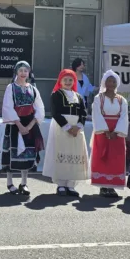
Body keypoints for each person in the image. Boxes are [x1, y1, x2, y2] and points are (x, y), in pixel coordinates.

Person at [42, 69, 89, 197]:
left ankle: (71, 184)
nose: (68, 82)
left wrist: (78, 126)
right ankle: (61, 184)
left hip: (77, 130)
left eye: (70, 80)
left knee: (75, 154)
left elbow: (83, 113)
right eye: (65, 79)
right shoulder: (56, 95)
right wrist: (68, 127)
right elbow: (55, 113)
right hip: (61, 128)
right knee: (61, 153)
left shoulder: (78, 96)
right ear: (60, 81)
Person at [0, 61, 44, 196]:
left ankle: (24, 183)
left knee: (28, 154)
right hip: (15, 124)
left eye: (26, 71)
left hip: (29, 124)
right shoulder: (10, 87)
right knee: (12, 153)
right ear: (16, 72)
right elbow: (7, 106)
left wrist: (30, 125)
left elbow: (39, 108)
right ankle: (9, 182)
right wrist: (19, 125)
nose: (23, 73)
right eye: (21, 70)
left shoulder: (33, 88)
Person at [89, 70, 129, 198]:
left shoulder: (122, 100)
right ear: (104, 83)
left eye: (113, 81)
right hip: (102, 132)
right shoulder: (98, 98)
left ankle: (112, 186)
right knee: (103, 156)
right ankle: (103, 186)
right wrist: (106, 131)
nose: (111, 83)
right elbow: (97, 115)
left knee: (115, 157)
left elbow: (124, 116)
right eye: (109, 81)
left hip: (117, 132)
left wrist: (116, 131)